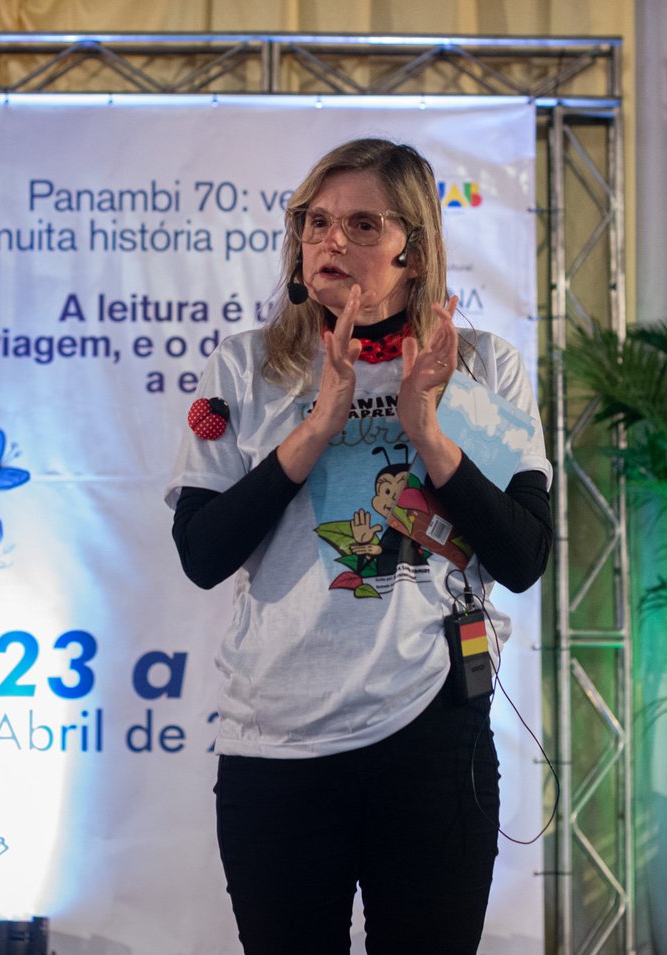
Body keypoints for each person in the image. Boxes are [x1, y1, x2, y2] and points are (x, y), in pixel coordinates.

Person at [165, 138, 554, 954]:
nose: (331, 240)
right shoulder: (245, 368)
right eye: (316, 222)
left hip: (433, 736)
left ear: (416, 252)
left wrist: (428, 432)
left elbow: (523, 559)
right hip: (277, 743)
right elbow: (202, 553)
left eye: (363, 225)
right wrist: (317, 427)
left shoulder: (482, 368)